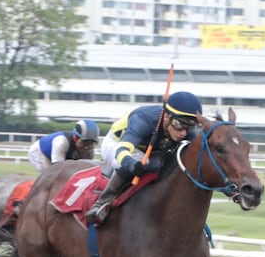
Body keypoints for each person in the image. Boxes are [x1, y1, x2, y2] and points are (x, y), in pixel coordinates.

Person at [84, 91, 202, 225]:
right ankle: (101, 203)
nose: (183, 133)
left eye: (190, 127)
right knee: (142, 161)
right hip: (117, 144)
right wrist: (131, 164)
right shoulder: (144, 119)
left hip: (151, 150)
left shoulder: (185, 131)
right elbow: (122, 149)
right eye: (179, 124)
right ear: (167, 117)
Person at [27, 119, 100, 172]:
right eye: (85, 142)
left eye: (91, 143)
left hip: (60, 156)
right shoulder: (61, 142)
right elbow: (58, 168)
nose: (87, 147)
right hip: (41, 152)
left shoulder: (89, 150)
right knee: (50, 177)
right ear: (76, 137)